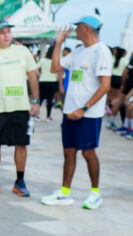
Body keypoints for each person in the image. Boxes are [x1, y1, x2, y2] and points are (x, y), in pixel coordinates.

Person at [40, 15, 112, 209]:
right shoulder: (79, 51)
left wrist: (84, 108)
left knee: (88, 153)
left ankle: (95, 193)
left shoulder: (101, 51)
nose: (74, 30)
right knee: (68, 153)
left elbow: (105, 86)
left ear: (87, 28)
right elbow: (56, 67)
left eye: (77, 27)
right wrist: (58, 43)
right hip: (70, 112)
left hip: (88, 114)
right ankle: (65, 193)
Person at [0, 21, 40, 197]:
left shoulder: (22, 52)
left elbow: (33, 77)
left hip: (20, 107)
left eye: (8, 32)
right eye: (2, 32)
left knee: (21, 144)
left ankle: (20, 181)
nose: (6, 35)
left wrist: (36, 101)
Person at [37, 45, 61, 122]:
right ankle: (48, 116)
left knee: (40, 98)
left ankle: (36, 115)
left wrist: (39, 75)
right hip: (52, 81)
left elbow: (35, 68)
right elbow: (60, 72)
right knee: (50, 100)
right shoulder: (57, 61)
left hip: (42, 81)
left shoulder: (43, 60)